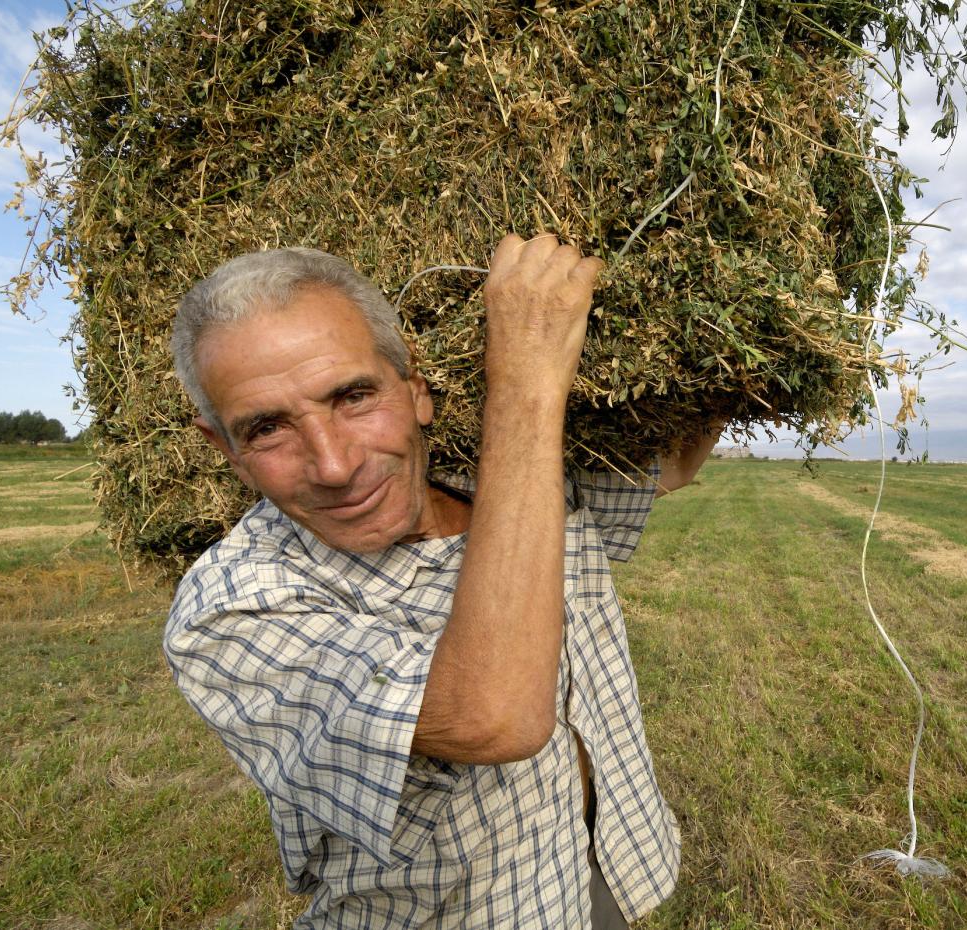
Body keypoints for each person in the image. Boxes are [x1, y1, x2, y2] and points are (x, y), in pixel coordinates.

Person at [163, 234, 723, 928]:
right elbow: (495, 717)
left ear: (416, 389)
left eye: (353, 396)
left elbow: (674, 466)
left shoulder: (514, 482)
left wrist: (722, 322)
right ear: (227, 451)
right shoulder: (232, 610)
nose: (334, 464)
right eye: (269, 429)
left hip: (599, 873)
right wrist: (524, 381)